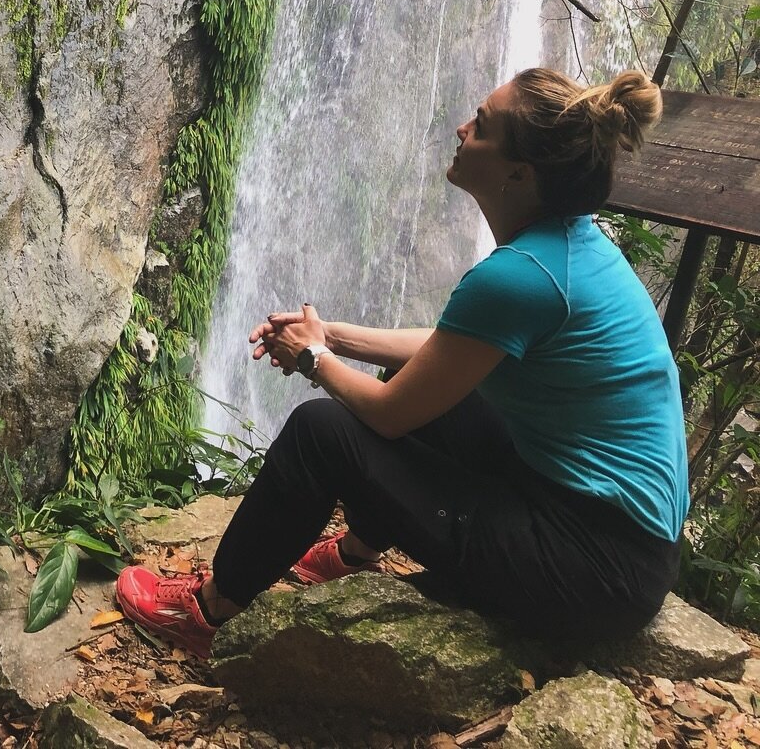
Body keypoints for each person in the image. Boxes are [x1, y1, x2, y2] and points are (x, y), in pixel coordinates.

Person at [116, 68, 689, 656]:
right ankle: (359, 550)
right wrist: (332, 336)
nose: (462, 129)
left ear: (520, 173)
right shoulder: (569, 244)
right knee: (427, 390)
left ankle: (209, 611)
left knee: (321, 432)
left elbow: (390, 417)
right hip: (609, 531)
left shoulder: (523, 277)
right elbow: (453, 348)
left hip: (591, 570)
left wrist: (312, 358)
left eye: (482, 128)